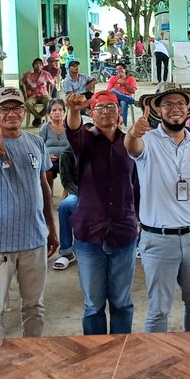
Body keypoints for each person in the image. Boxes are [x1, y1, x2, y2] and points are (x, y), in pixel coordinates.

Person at [125, 88, 190, 332]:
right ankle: (155, 366)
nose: (175, 108)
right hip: (158, 239)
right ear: (158, 110)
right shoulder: (147, 140)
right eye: (168, 104)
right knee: (158, 310)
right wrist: (133, 133)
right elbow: (132, 146)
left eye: (180, 104)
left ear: (188, 110)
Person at [0, 86, 58, 339]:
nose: (11, 114)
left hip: (34, 239)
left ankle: (32, 354)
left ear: (24, 111)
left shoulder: (36, 142)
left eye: (17, 108)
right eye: (4, 109)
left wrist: (51, 228)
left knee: (34, 306)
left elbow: (44, 188)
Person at [62, 90, 140, 334]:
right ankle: (95, 357)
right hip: (89, 234)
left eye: (111, 106)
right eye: (99, 108)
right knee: (94, 305)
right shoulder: (84, 140)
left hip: (123, 233)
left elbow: (137, 184)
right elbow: (73, 129)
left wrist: (138, 219)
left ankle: (121, 352)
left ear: (119, 113)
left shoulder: (130, 143)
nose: (106, 111)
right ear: (91, 114)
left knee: (122, 303)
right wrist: (73, 110)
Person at [52, 145, 78, 271]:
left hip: (104, 194)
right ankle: (67, 252)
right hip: (80, 193)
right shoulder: (67, 153)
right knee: (65, 206)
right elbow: (67, 181)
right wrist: (83, 195)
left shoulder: (103, 147)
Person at [39, 99, 69, 187]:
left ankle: (66, 195)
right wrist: (46, 156)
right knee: (47, 168)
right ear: (49, 113)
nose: (57, 112)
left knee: (71, 168)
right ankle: (49, 194)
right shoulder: (45, 128)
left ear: (64, 112)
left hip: (67, 158)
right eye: (54, 110)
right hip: (51, 159)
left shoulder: (69, 126)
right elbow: (39, 146)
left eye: (60, 110)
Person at [22, 58, 57, 128]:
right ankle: (39, 117)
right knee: (28, 103)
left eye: (40, 64)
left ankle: (37, 118)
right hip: (32, 96)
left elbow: (52, 84)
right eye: (36, 64)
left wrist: (49, 94)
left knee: (50, 102)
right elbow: (22, 84)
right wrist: (24, 96)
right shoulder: (27, 74)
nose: (38, 65)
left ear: (42, 65)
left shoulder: (46, 74)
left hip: (43, 94)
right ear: (33, 65)